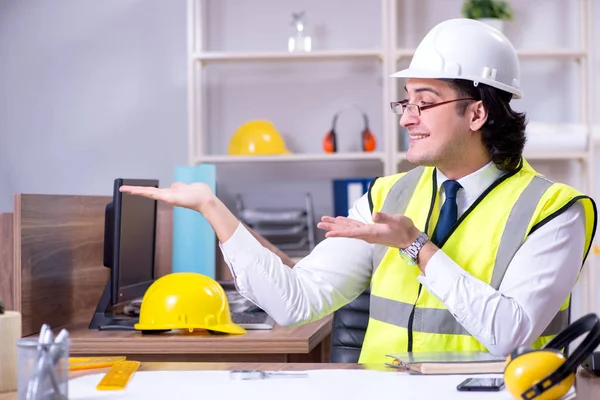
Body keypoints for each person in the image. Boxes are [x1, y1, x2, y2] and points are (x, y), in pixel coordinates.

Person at [120, 18, 597, 363]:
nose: (407, 117)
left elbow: (508, 336)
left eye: (425, 103)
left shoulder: (556, 211)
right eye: (404, 102)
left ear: (477, 113)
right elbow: (296, 301)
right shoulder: (387, 196)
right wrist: (213, 209)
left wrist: (417, 247)